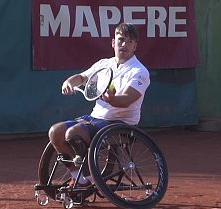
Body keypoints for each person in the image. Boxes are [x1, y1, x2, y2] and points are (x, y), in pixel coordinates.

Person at [48, 23, 150, 187]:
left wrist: (113, 100)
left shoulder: (140, 71)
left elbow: (128, 99)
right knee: (56, 132)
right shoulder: (104, 64)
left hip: (121, 124)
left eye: (129, 42)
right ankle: (79, 178)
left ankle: (91, 180)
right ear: (113, 42)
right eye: (120, 40)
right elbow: (82, 77)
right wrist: (69, 82)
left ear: (135, 46)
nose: (124, 44)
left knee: (74, 133)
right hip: (96, 119)